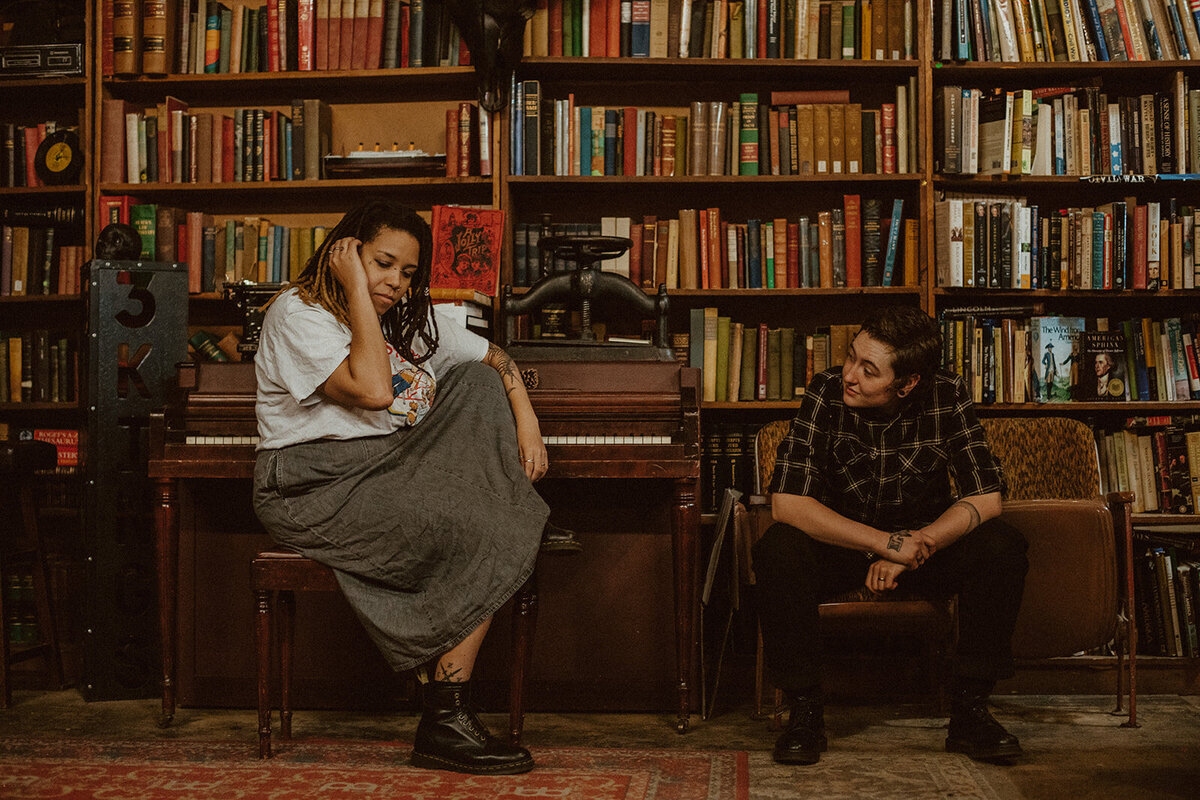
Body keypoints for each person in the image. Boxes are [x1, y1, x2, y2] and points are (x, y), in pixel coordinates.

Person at [252, 199, 548, 775]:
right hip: (310, 485)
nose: (394, 283)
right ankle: (447, 717)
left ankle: (444, 713)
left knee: (478, 389)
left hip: (383, 467)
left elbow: (491, 355)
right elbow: (373, 391)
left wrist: (526, 414)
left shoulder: (400, 317)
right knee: (484, 527)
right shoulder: (298, 312)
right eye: (382, 264)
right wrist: (360, 295)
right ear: (346, 251)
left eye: (409, 273)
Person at [752, 305, 1029, 766]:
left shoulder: (946, 394)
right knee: (777, 550)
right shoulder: (825, 392)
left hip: (922, 548)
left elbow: (986, 497)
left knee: (1002, 546)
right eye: (851, 357)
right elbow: (788, 503)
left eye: (869, 369)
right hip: (844, 545)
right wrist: (881, 543)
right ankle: (804, 712)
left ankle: (970, 711)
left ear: (908, 383)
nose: (850, 375)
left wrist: (914, 547)